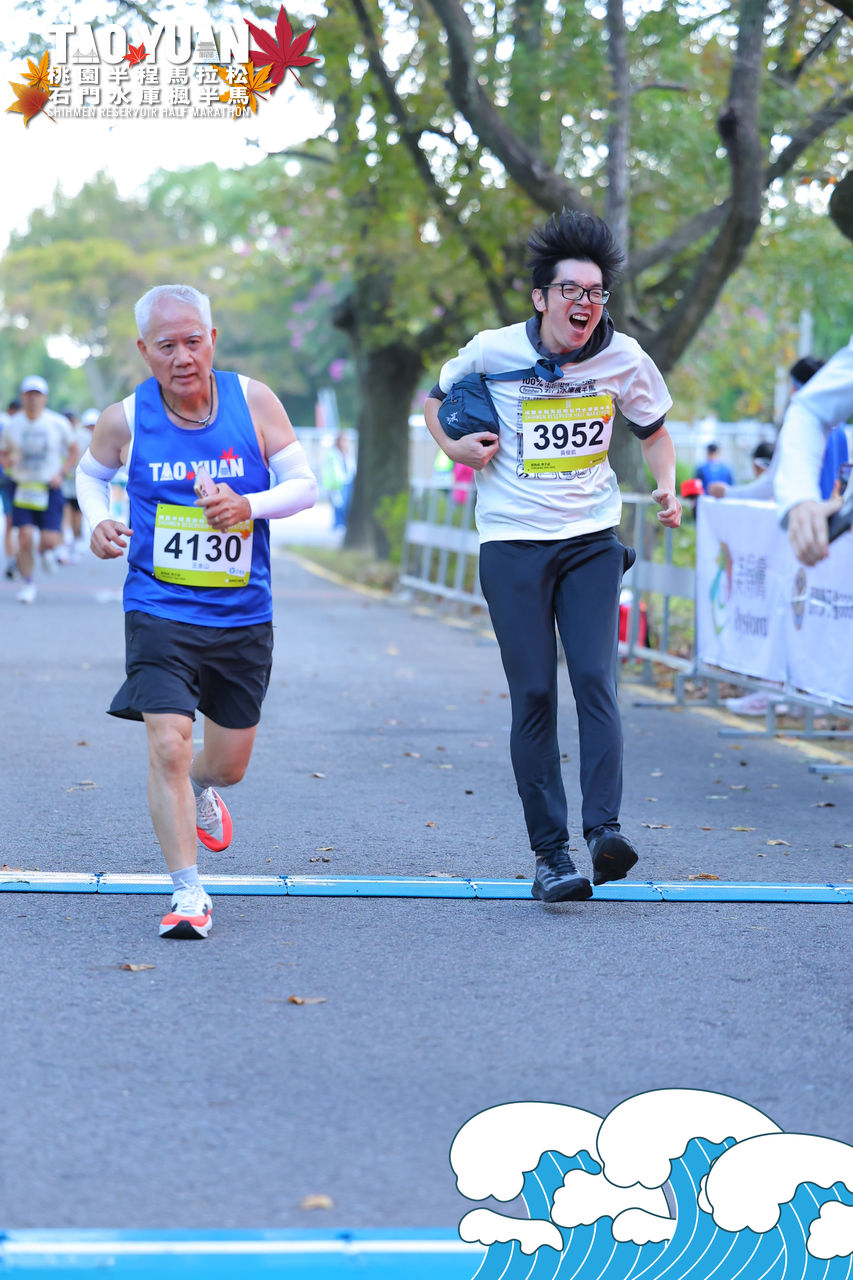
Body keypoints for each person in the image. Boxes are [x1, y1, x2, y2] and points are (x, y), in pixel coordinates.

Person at [423, 210, 682, 904]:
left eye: (595, 292)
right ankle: (550, 856)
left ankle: (605, 831)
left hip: (591, 540)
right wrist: (452, 447)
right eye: (571, 290)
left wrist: (664, 484)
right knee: (535, 692)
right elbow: (433, 400)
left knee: (595, 677)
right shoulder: (492, 350)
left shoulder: (624, 357)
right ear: (541, 297)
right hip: (511, 543)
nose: (584, 303)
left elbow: (654, 431)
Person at [75, 283, 318, 939]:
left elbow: (305, 485)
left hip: (241, 613)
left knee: (226, 763)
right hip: (158, 605)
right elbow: (91, 474)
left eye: (192, 341)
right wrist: (97, 521)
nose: (181, 357)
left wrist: (248, 505)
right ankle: (188, 893)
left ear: (211, 339)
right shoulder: (126, 418)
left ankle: (202, 786)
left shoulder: (254, 401)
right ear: (143, 350)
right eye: (166, 346)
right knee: (169, 746)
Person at [775, 336, 853, 565]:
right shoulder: (837, 430)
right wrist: (801, 497)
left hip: (826, 522)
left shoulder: (835, 431)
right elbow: (809, 410)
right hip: (823, 524)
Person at [0, 376, 79, 603]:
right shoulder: (12, 425)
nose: (33, 399)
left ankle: (47, 551)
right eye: (29, 395)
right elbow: (3, 452)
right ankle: (28, 584)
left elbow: (73, 450)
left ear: (45, 398)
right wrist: (7, 463)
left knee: (50, 540)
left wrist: (61, 473)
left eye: (37, 395)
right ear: (23, 397)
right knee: (24, 537)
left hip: (49, 488)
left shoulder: (57, 423)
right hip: (22, 487)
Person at [57, 407, 99, 561]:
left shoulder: (84, 437)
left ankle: (75, 540)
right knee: (65, 509)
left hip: (80, 480)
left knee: (77, 513)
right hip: (64, 481)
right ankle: (66, 540)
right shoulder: (59, 435)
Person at [0, 397, 21, 579]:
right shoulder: (9, 427)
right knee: (10, 521)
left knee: (12, 521)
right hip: (8, 479)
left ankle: (13, 559)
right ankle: (12, 560)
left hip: (13, 480)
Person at [322, 431, 355, 530]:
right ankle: (338, 523)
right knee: (338, 504)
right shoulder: (333, 454)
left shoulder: (347, 454)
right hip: (337, 482)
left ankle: (344, 523)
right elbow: (329, 470)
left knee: (346, 504)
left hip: (348, 481)